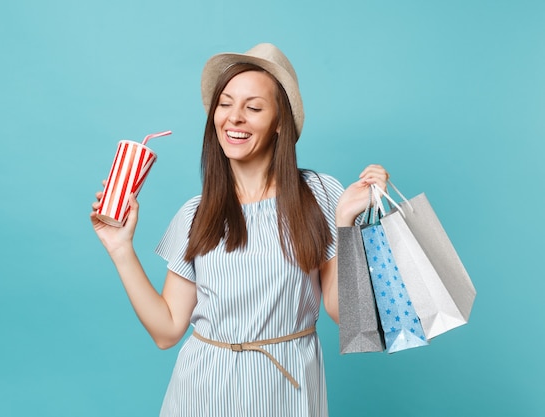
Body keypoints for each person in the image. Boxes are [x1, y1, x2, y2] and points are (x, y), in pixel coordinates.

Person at [91, 43, 389, 417]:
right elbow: (166, 331)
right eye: (225, 104)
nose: (234, 118)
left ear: (280, 121)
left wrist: (346, 223)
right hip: (200, 391)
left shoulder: (320, 194)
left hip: (287, 390)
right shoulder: (195, 214)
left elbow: (346, 315)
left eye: (253, 107)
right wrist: (121, 249)